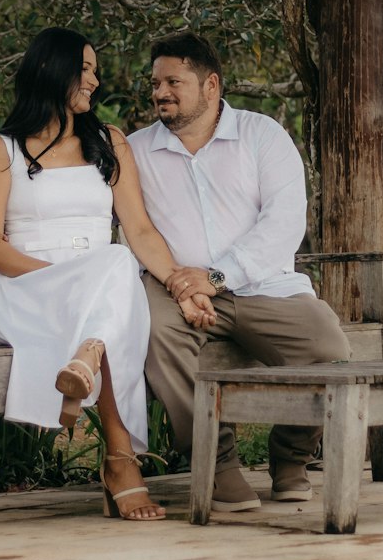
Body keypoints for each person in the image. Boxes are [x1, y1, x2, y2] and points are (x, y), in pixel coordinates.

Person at [0, 26, 213, 522]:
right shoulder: (2, 150)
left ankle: (88, 356)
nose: (94, 81)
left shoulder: (108, 143)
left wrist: (180, 288)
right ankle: (121, 465)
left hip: (98, 289)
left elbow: (140, 231)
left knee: (118, 260)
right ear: (49, 70)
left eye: (95, 71)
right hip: (28, 291)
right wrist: (66, 282)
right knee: (113, 270)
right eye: (85, 69)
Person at [128, 31, 352, 513]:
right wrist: (183, 286)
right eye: (155, 83)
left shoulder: (261, 135)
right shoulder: (136, 150)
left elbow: (285, 221)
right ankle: (217, 464)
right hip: (175, 291)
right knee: (157, 332)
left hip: (261, 286)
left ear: (211, 86)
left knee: (328, 349)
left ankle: (291, 458)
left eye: (173, 81)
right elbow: (135, 230)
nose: (159, 92)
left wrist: (217, 277)